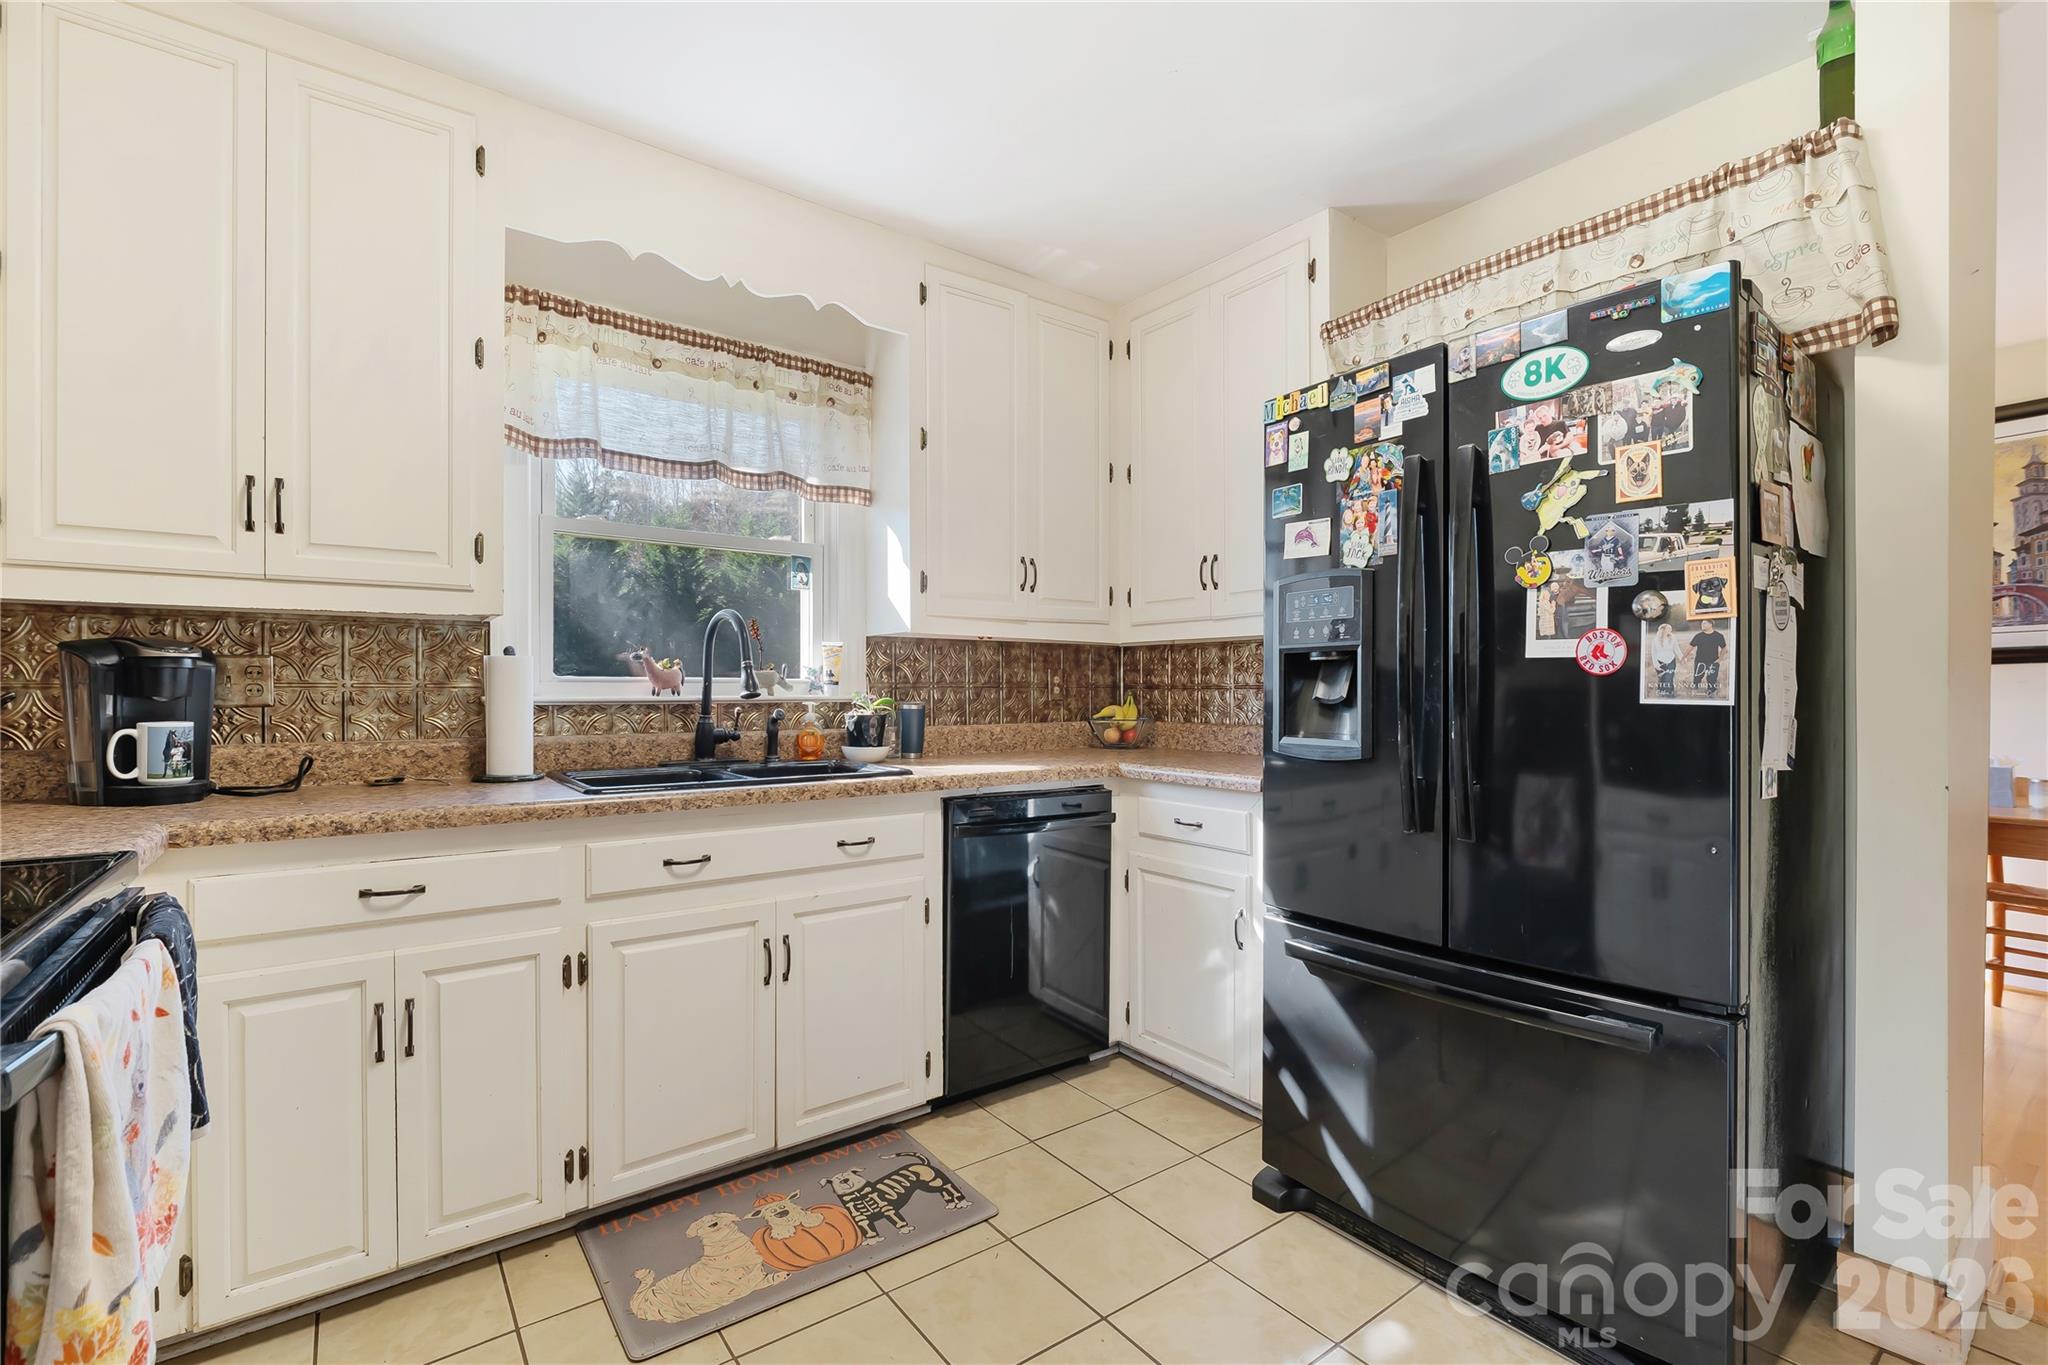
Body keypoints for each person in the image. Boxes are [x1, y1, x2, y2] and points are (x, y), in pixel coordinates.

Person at [1689, 619, 1727, 696]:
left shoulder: (1718, 636)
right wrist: (1685, 656)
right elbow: (1690, 647)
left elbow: (1724, 648)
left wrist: (1719, 659)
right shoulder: (1698, 636)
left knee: (1712, 679)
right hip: (1700, 661)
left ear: (1710, 624)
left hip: (1713, 661)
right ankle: (1694, 692)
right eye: (1702, 623)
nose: (1702, 625)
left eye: (1704, 623)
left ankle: (1711, 693)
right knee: (1697, 678)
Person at [1650, 624, 1680, 697]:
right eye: (1669, 629)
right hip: (1659, 662)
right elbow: (1653, 653)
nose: (1670, 631)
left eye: (1671, 629)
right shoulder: (1655, 640)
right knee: (1662, 678)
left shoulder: (1673, 638)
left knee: (1669, 678)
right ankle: (1662, 693)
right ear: (1663, 630)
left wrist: (1682, 658)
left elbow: (1677, 649)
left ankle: (1670, 694)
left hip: (1671, 661)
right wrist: (1656, 664)